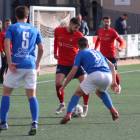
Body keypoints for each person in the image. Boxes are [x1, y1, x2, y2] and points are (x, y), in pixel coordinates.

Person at [0, 6, 44, 135]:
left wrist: (9, 62)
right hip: (30, 65)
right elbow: (41, 48)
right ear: (27, 16)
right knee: (32, 96)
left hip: (16, 65)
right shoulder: (34, 29)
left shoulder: (12, 27)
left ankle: (3, 123)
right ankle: (35, 122)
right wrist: (37, 62)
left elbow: (6, 44)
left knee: (6, 93)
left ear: (15, 15)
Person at [59, 37, 119, 124]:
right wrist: (114, 81)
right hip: (108, 76)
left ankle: (68, 115)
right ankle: (113, 110)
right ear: (88, 45)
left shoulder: (80, 53)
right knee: (99, 92)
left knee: (77, 93)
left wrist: (64, 85)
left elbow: (72, 72)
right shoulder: (97, 52)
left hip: (96, 74)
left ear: (77, 46)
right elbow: (112, 66)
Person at [54, 17, 89, 117]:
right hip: (62, 62)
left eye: (78, 28)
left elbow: (85, 47)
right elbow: (56, 39)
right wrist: (55, 52)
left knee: (85, 83)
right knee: (58, 82)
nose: (77, 30)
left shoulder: (79, 35)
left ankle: (85, 106)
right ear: (70, 24)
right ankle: (62, 104)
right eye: (75, 27)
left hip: (76, 63)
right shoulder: (58, 30)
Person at [95, 16, 124, 94]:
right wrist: (95, 49)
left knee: (114, 72)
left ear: (110, 23)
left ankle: (118, 86)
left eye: (108, 22)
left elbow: (121, 42)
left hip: (111, 56)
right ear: (103, 22)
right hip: (102, 56)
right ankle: (103, 86)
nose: (106, 23)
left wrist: (120, 47)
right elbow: (98, 40)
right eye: (105, 21)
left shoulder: (113, 32)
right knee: (101, 71)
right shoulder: (99, 31)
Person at [0, 19, 12, 84]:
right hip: (5, 51)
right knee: (4, 66)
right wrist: (2, 51)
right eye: (7, 23)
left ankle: (8, 79)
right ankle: (1, 79)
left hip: (11, 52)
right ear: (4, 25)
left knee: (9, 66)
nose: (8, 25)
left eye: (9, 24)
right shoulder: (2, 33)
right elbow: (1, 43)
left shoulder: (13, 33)